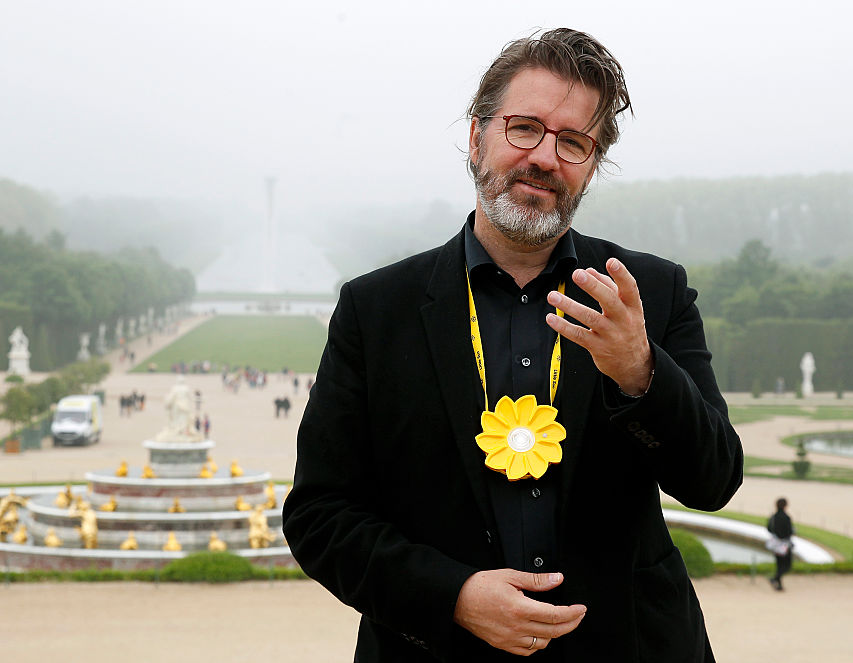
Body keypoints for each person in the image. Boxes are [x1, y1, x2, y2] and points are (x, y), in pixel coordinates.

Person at [283, 28, 743, 662]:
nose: (546, 158)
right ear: (477, 138)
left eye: (574, 142)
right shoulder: (375, 309)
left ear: (592, 165)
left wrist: (640, 373)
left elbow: (714, 481)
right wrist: (454, 595)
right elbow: (320, 514)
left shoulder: (648, 293)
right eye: (524, 128)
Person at [766, 497, 794, 591]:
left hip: (775, 544)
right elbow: (789, 531)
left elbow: (769, 528)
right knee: (787, 565)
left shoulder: (773, 517)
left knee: (779, 564)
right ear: (785, 505)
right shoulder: (787, 517)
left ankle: (779, 584)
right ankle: (775, 578)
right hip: (784, 544)